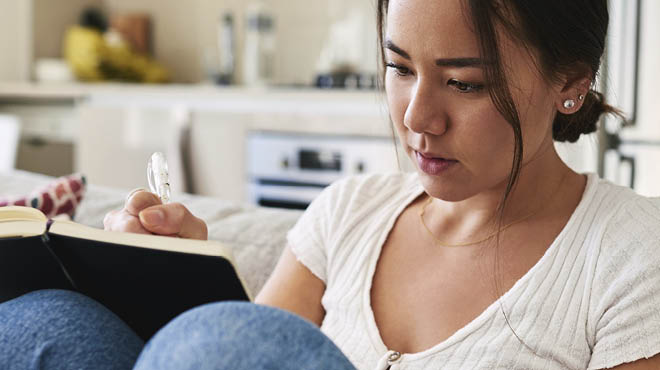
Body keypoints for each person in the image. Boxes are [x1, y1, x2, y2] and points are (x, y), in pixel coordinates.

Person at [2, 0, 660, 369]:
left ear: (571, 83)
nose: (415, 117)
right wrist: (179, 274)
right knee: (47, 321)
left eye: (465, 82)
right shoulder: (349, 213)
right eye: (398, 68)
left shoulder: (628, 256)